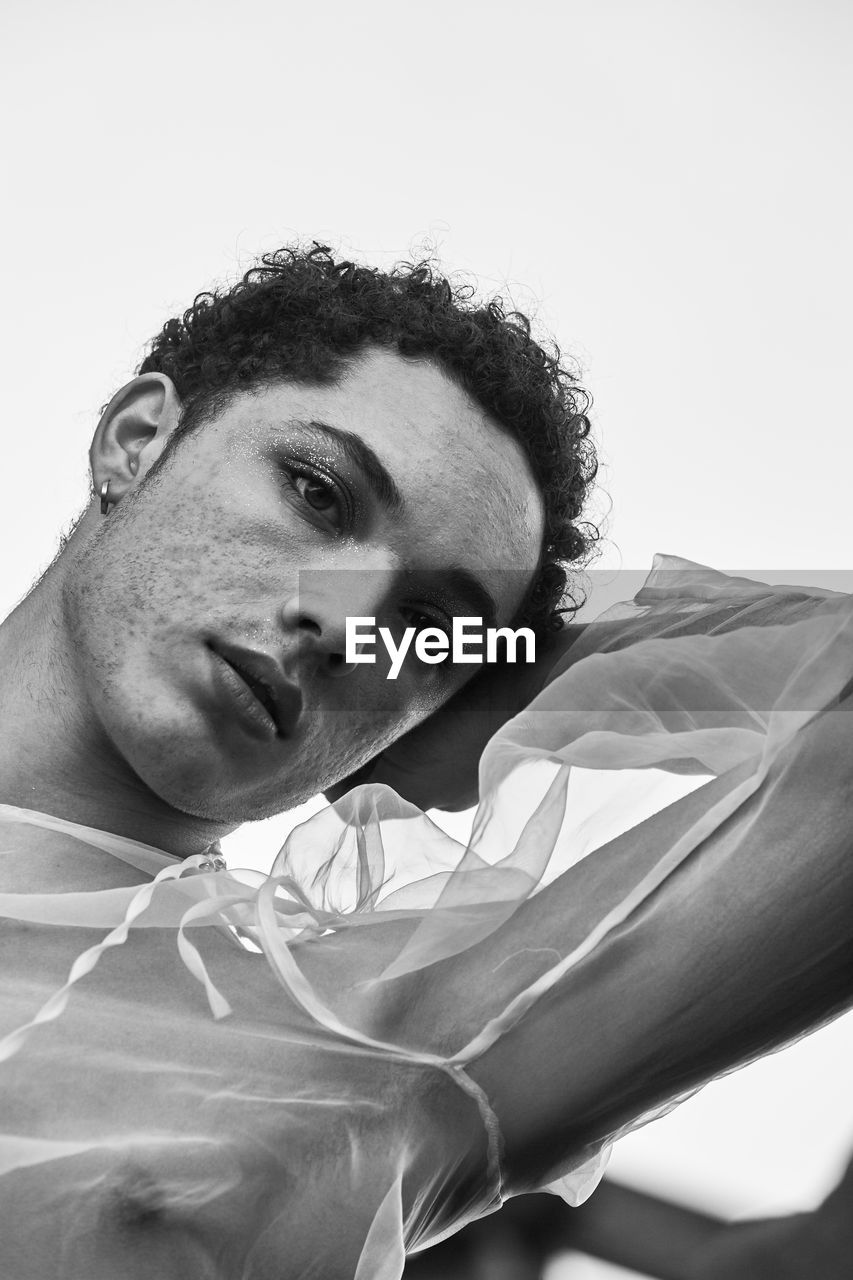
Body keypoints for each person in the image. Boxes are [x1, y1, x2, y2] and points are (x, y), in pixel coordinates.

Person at [0, 245, 851, 1279]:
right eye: (318, 493)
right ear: (138, 439)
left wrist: (530, 673)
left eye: (423, 619)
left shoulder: (362, 1051)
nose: (340, 619)